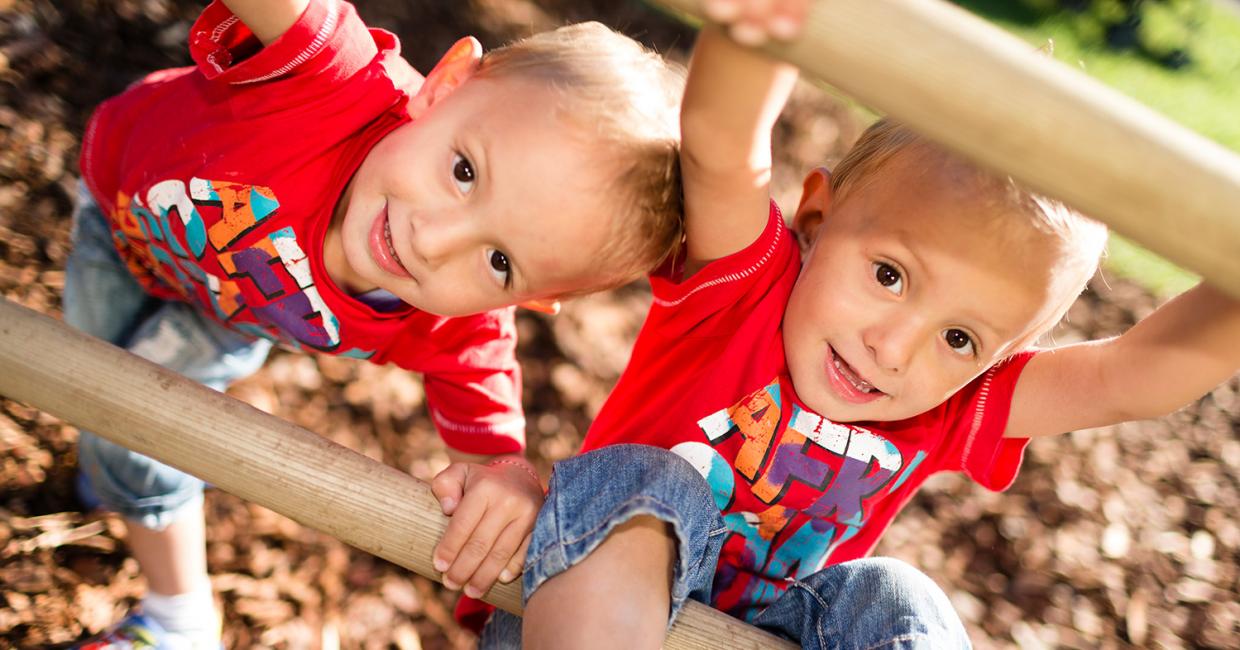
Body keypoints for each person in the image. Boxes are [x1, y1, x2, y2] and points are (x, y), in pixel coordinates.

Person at [477, 3, 1240, 649]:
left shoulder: (951, 405)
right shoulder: (745, 289)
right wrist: (766, 26)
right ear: (815, 217)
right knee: (651, 483)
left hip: (768, 629)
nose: (894, 348)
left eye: (961, 338)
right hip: (580, 603)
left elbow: (1134, 377)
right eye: (889, 276)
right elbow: (720, 146)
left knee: (895, 599)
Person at [68, 0, 685, 647]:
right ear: (446, 87)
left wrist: (505, 485)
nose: (434, 238)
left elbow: (493, 458)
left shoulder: (458, 328)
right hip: (116, 215)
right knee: (83, 361)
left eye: (500, 261)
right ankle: (108, 464)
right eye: (465, 171)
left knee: (128, 430)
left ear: (536, 297)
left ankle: (178, 620)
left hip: (220, 320)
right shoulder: (333, 77)